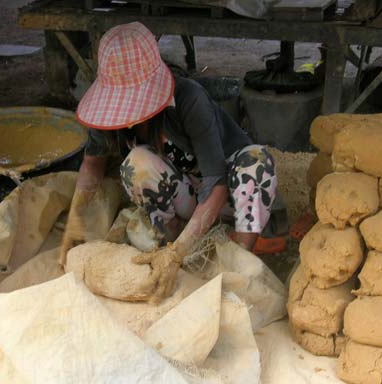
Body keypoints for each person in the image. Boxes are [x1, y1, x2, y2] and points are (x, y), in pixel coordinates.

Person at [62, 22, 277, 302]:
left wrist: (180, 251)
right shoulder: (108, 113)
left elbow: (217, 182)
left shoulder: (189, 99)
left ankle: (237, 256)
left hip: (227, 198)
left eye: (134, 100)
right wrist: (74, 221)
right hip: (185, 198)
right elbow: (92, 165)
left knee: (257, 161)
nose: (129, 111)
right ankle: (171, 243)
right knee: (135, 164)